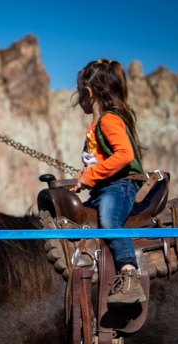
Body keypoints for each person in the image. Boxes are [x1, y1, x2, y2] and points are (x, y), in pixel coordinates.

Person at [69, 58, 147, 306]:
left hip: (119, 186)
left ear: (89, 92)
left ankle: (129, 275)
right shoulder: (98, 125)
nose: (78, 95)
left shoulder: (109, 121)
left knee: (109, 221)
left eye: (80, 90)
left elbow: (125, 155)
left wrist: (89, 176)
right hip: (105, 188)